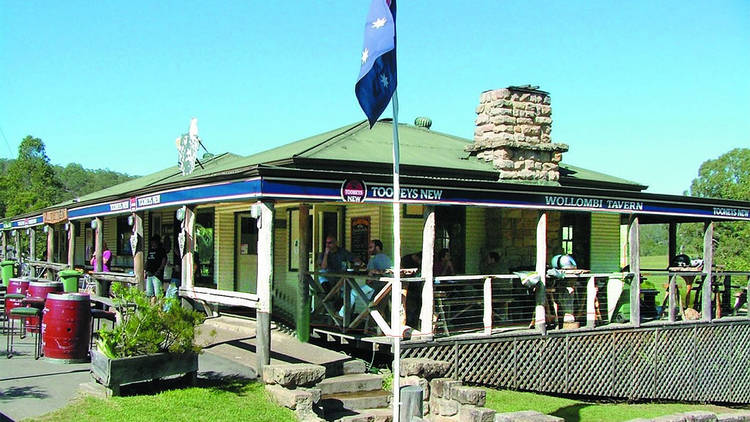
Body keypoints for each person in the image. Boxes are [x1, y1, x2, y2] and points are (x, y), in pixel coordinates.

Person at [145, 235, 167, 303]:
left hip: (156, 274)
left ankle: (159, 309)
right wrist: (145, 270)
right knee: (149, 293)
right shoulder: (150, 250)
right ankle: (151, 307)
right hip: (149, 274)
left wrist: (159, 270)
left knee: (158, 293)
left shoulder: (161, 250)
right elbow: (148, 260)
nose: (152, 243)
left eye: (154, 242)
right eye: (152, 242)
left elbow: (164, 260)